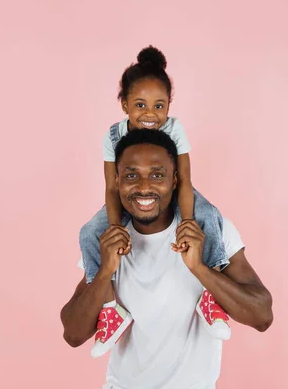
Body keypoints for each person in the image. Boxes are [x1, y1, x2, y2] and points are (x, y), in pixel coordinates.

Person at [62, 129, 273, 389]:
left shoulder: (209, 231)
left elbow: (262, 315)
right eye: (131, 175)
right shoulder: (107, 240)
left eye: (157, 175)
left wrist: (200, 268)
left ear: (175, 181)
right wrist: (105, 272)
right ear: (117, 182)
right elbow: (73, 334)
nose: (143, 187)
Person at [79, 45, 233, 358]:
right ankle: (110, 310)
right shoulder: (112, 136)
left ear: (169, 107)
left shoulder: (174, 130)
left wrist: (188, 220)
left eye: (159, 105)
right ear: (124, 104)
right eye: (140, 104)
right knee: (88, 233)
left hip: (175, 191)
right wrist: (113, 227)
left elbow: (185, 180)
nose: (150, 114)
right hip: (132, 196)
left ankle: (211, 295)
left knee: (209, 215)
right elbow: (112, 188)